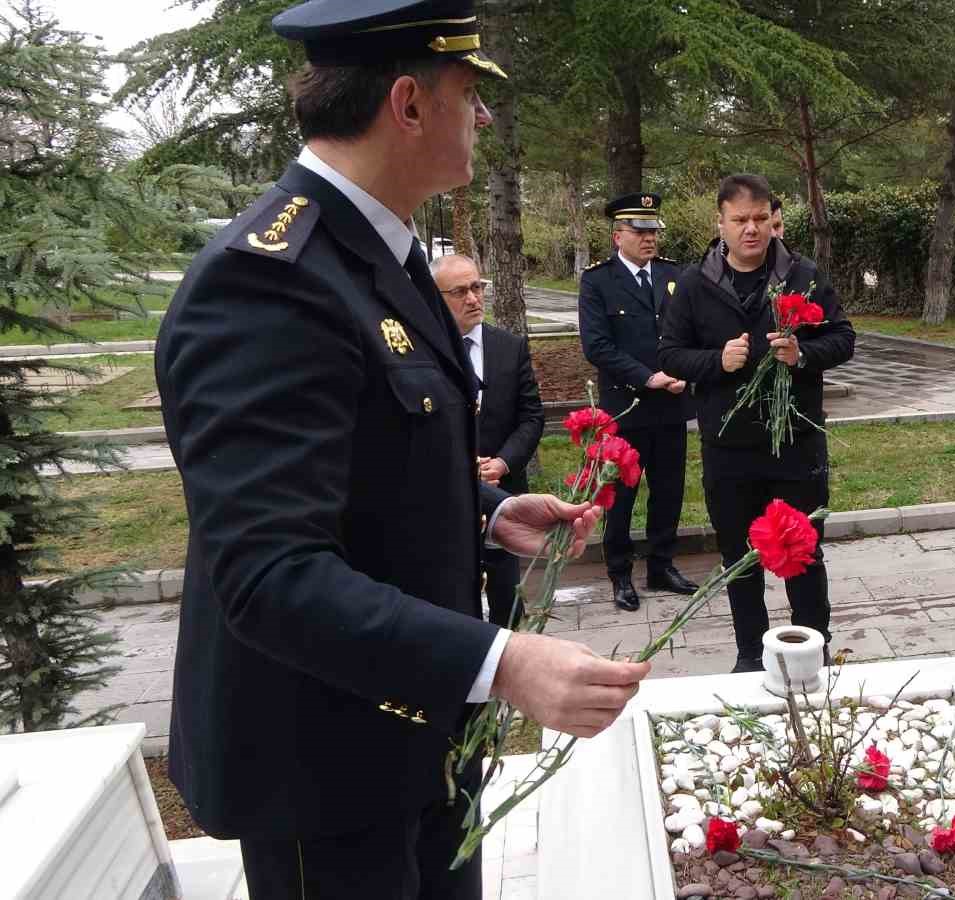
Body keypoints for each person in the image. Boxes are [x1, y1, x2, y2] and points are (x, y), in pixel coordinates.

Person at [154, 3, 650, 897]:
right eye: (470, 93)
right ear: (410, 104)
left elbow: (366, 465)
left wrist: (489, 516)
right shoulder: (269, 282)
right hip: (326, 774)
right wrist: (504, 663)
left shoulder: (375, 252)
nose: (485, 118)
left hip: (418, 739)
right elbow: (269, 576)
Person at [659, 174, 856, 672]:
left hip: (796, 443)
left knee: (804, 554)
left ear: (773, 219)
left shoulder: (802, 273)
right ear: (719, 223)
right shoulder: (694, 284)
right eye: (739, 220)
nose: (751, 229)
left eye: (760, 219)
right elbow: (669, 353)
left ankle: (815, 650)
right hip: (728, 446)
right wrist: (716, 363)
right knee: (738, 557)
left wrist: (802, 353)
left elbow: (844, 339)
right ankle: (750, 655)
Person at [578, 193, 699, 611]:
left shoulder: (674, 275)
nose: (650, 238)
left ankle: (662, 565)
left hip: (671, 405)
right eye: (640, 231)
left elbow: (690, 331)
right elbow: (596, 346)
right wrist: (648, 377)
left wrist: (686, 369)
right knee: (621, 496)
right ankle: (620, 573)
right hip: (626, 408)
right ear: (618, 236)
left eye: (653, 231)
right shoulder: (597, 281)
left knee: (668, 491)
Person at [432, 253, 546, 627]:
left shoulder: (509, 347)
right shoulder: (424, 352)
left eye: (478, 287)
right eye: (460, 291)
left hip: (504, 491)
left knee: (507, 599)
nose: (474, 299)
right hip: (447, 497)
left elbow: (531, 416)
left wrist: (502, 462)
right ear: (435, 298)